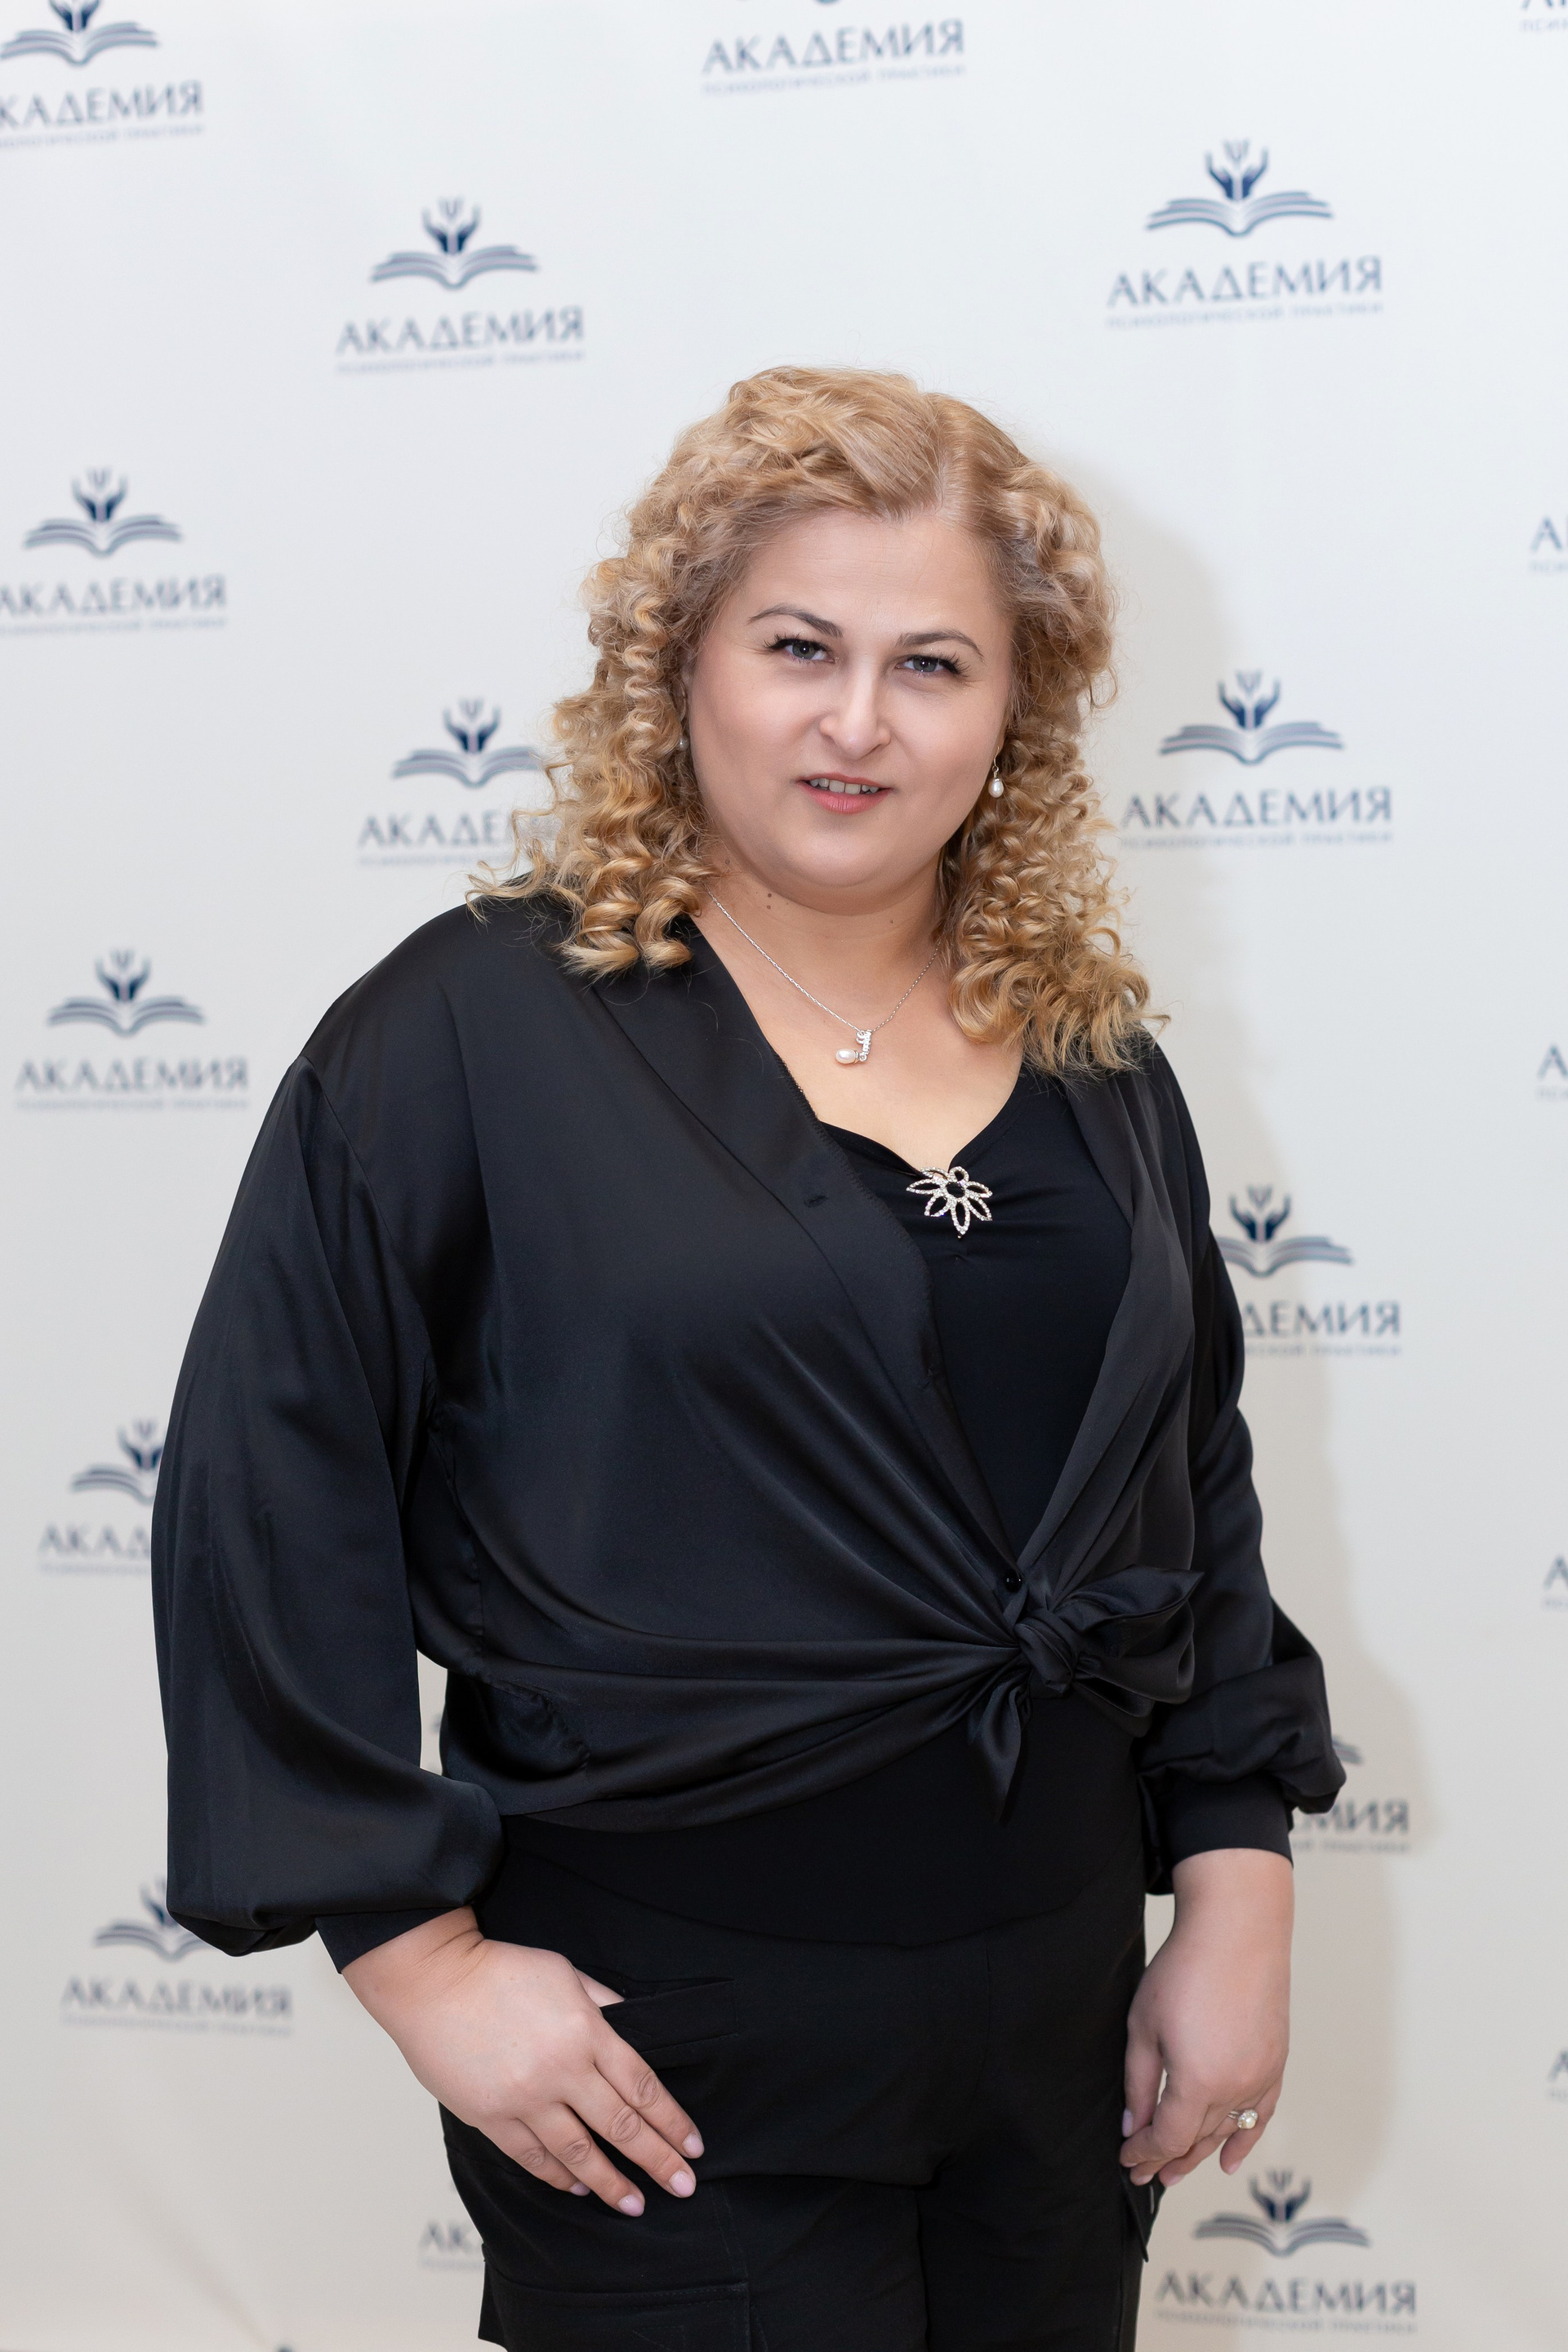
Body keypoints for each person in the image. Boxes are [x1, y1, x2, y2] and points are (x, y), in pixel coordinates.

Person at [152, 367, 1343, 2352]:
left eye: (932, 665)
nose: (858, 721)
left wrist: (1237, 1880)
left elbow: (1187, 1481)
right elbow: (270, 1491)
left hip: (1058, 2028)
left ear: (1015, 712)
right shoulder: (467, 1034)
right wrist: (418, 1960)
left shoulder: (1096, 1059)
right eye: (800, 647)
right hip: (668, 2036)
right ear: (680, 663)